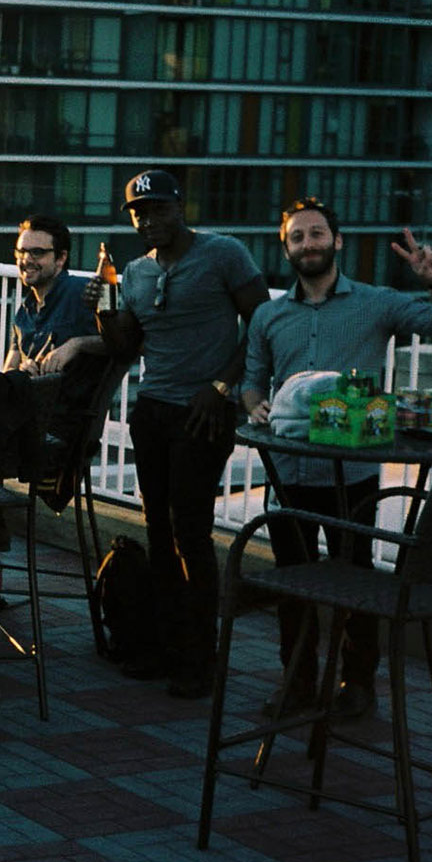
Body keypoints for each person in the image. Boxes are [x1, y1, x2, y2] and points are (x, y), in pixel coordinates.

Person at [242, 199, 432, 719]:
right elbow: (253, 382)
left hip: (355, 474)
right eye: (298, 237)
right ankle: (297, 683)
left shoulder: (376, 303)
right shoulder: (268, 315)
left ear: (337, 241)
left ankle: (357, 685)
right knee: (293, 581)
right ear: (287, 248)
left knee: (357, 580)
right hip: (289, 471)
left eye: (318, 234)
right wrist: (256, 407)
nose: (309, 244)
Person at [99, 170, 271, 698]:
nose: (148, 220)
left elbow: (262, 325)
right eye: (138, 212)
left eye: (158, 209)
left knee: (189, 532)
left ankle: (202, 658)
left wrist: (222, 387)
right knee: (157, 530)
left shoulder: (224, 254)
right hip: (153, 411)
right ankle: (164, 647)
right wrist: (106, 298)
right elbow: (125, 347)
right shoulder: (134, 271)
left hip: (205, 413)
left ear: (180, 207)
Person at [1, 214, 104, 375]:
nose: (26, 259)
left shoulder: (80, 291)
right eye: (21, 252)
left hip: (72, 398)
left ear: (61, 258)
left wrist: (76, 344)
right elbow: (7, 374)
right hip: (34, 396)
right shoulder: (24, 312)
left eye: (37, 252)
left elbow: (121, 341)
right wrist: (23, 370)